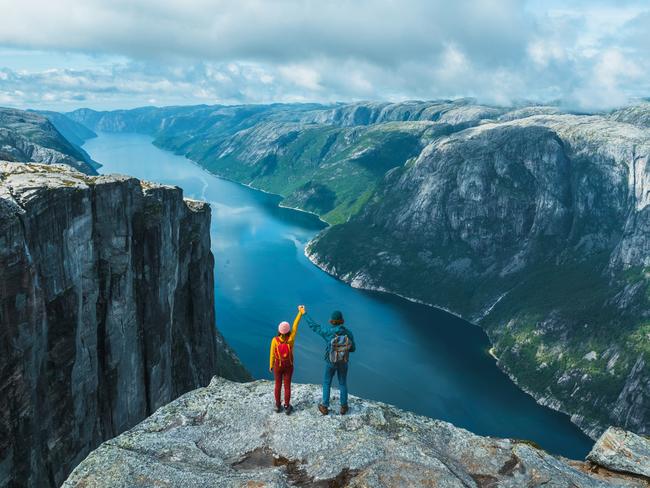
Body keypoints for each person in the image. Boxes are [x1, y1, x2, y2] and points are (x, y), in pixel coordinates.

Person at [306, 310, 356, 415]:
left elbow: (314, 327)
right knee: (342, 383)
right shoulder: (348, 333)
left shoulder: (328, 332)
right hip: (343, 362)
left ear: (331, 321)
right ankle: (344, 407)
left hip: (331, 361)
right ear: (342, 321)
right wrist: (343, 349)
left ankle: (324, 406)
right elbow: (353, 349)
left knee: (327, 382)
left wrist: (304, 313)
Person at [269, 305, 305, 414]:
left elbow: (272, 354)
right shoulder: (291, 339)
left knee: (277, 385)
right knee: (287, 386)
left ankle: (277, 405)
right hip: (288, 365)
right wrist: (300, 312)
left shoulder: (275, 340)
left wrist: (271, 365)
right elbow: (295, 325)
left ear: (279, 330)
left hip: (277, 365)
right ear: (288, 331)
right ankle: (287, 405)